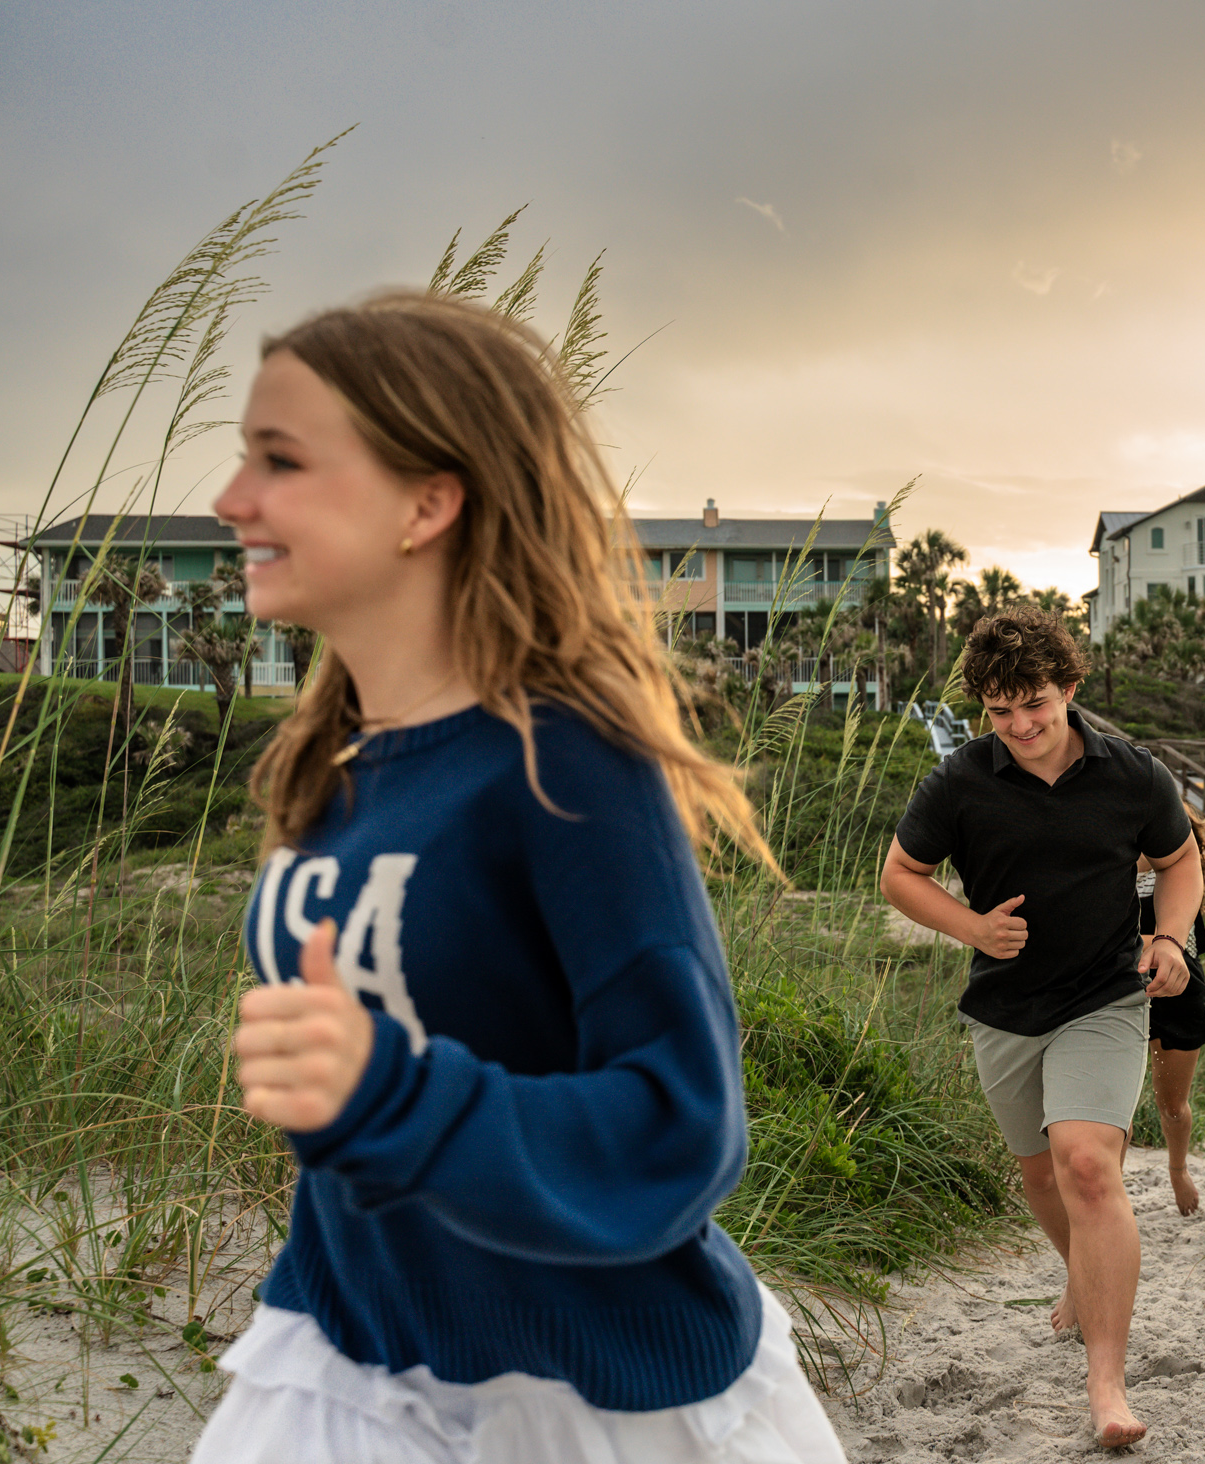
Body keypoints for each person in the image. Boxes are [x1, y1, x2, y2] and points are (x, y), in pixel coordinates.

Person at [195, 293, 844, 1464]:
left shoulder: (567, 763)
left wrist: (393, 1096)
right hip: (351, 1355)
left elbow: (682, 1127)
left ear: (428, 502)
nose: (231, 501)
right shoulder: (324, 766)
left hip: (586, 1396)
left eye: (279, 461)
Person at [879, 608, 1200, 1450]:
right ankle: (1081, 1274)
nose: (1020, 726)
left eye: (1034, 704)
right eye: (1000, 711)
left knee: (1089, 1166)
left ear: (1068, 688)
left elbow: (1180, 859)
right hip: (1006, 1010)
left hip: (1104, 996)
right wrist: (973, 928)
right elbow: (900, 875)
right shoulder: (959, 781)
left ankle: (1106, 1384)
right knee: (1042, 1181)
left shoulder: (1133, 775)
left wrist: (1168, 937)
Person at [1135, 805, 1205, 1217]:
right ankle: (1108, 1192)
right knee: (1112, 1104)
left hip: (1177, 981)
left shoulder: (1181, 857)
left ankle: (1177, 1168)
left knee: (1172, 1103)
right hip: (1113, 983)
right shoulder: (1104, 846)